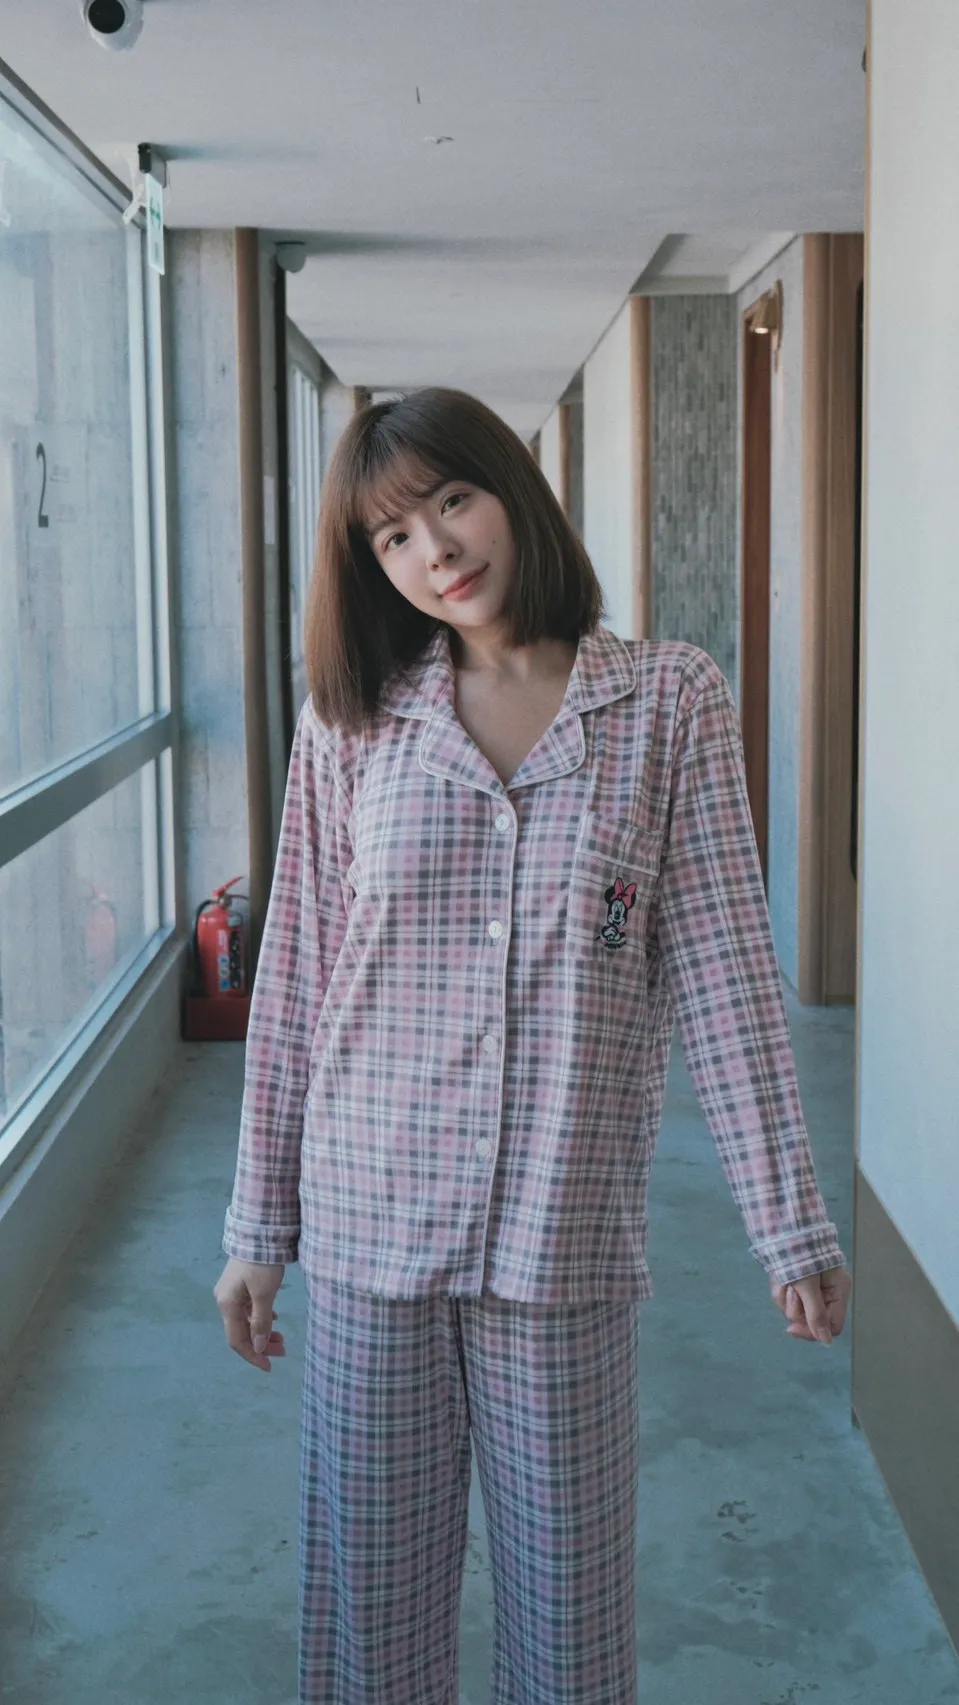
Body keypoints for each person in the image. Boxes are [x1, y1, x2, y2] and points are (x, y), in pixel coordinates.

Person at [215, 387, 853, 1705]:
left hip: (562, 1237)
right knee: (372, 1618)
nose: (435, 549)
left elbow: (726, 974)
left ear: (513, 493)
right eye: (392, 536)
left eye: (452, 501)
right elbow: (297, 982)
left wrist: (787, 1222)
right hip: (372, 1222)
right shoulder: (353, 721)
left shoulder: (666, 702)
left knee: (571, 1624)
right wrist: (258, 1227)